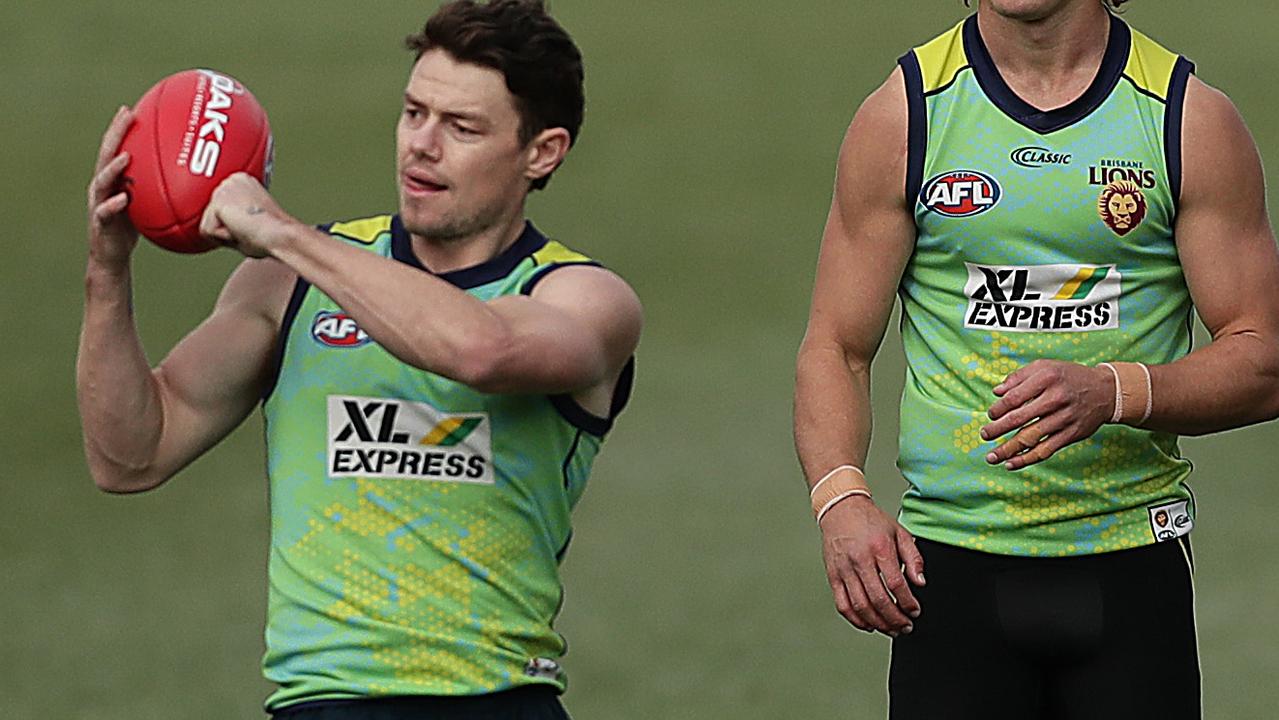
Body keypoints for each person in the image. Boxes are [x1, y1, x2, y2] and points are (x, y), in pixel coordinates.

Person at [78, 1, 641, 717]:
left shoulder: (583, 298)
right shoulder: (283, 285)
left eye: (460, 127)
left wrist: (284, 234)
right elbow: (130, 455)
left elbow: (480, 349)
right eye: (413, 113)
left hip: (494, 701)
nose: (421, 146)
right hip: (321, 703)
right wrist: (107, 272)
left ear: (542, 152)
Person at [793, 0, 1279, 717]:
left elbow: (1261, 357)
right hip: (947, 566)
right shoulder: (905, 115)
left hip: (1129, 559)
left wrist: (1112, 392)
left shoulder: (1185, 118)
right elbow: (836, 344)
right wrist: (840, 500)